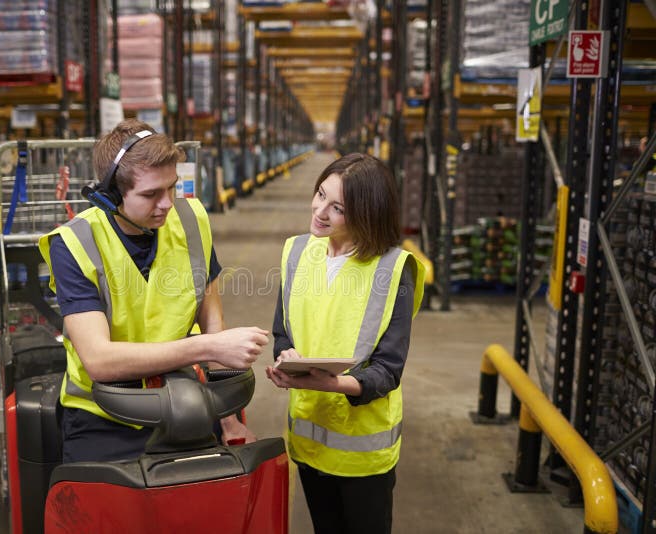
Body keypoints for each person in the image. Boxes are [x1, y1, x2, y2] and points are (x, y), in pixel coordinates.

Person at [39, 119, 269, 463]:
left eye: (172, 188)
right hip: (102, 415)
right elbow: (99, 360)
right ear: (110, 196)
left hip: (182, 401)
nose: (167, 204)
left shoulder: (192, 219)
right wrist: (205, 347)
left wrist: (229, 420)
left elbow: (212, 322)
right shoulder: (74, 244)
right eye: (150, 195)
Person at [265, 153, 425, 534]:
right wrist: (286, 358)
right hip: (308, 438)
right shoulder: (298, 252)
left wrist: (333, 384)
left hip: (363, 454)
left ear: (366, 214)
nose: (319, 211)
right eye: (320, 194)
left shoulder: (392, 268)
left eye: (337, 208)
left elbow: (388, 370)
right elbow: (283, 331)